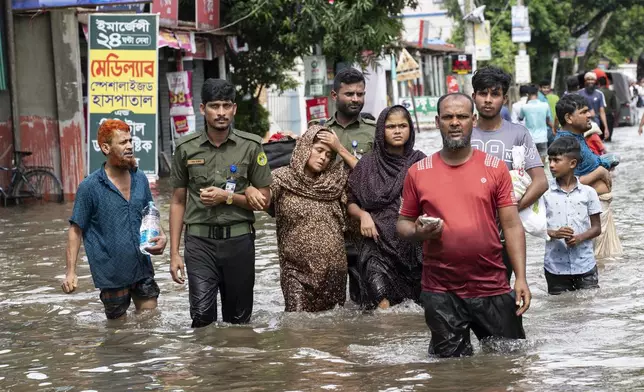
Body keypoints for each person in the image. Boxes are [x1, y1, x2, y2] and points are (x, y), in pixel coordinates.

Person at [397, 93, 530, 358]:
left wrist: (522, 278)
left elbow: (512, 225)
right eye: (448, 117)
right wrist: (418, 231)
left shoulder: (494, 168)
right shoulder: (418, 171)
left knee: (509, 363)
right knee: (449, 371)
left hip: (492, 284)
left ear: (474, 120)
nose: (454, 123)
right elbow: (403, 224)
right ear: (437, 122)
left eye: (461, 117)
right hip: (440, 291)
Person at [168, 79, 273, 328]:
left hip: (239, 242)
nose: (222, 112)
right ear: (203, 109)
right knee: (202, 317)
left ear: (234, 109)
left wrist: (228, 197)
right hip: (199, 243)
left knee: (239, 322)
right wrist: (173, 254)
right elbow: (177, 201)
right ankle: (206, 366)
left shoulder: (250, 146)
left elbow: (265, 201)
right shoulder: (185, 148)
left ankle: (234, 367)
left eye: (227, 106)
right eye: (215, 106)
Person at [62, 119, 167, 320]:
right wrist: (70, 272)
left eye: (130, 141)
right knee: (118, 333)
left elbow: (150, 213)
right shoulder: (90, 187)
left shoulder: (140, 179)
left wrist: (162, 236)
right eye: (123, 142)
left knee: (150, 322)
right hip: (111, 274)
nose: (129, 146)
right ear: (105, 147)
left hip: (142, 266)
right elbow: (76, 230)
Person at [247, 125, 351, 312]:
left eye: (329, 154)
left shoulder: (334, 182)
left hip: (334, 270)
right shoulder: (282, 178)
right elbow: (263, 198)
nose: (323, 158)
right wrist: (249, 189)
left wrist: (340, 148)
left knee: (334, 331)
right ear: (304, 147)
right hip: (295, 270)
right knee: (296, 325)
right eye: (319, 150)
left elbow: (370, 178)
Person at [470, 66, 548, 281]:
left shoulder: (518, 134)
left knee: (500, 290)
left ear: (504, 99)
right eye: (483, 93)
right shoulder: (462, 133)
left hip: (505, 235)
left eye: (494, 94)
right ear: (473, 96)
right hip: (468, 232)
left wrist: (510, 211)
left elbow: (540, 182)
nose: (488, 100)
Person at [347, 105, 426, 310]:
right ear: (381, 130)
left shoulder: (420, 162)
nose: (397, 131)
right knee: (381, 303)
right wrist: (363, 215)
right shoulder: (367, 163)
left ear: (410, 129)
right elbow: (350, 201)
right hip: (376, 245)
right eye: (391, 126)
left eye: (402, 125)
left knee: (413, 307)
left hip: (411, 245)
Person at [324, 67, 377, 303]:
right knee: (329, 299)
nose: (356, 99)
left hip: (364, 222)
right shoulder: (320, 131)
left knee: (366, 297)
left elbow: (376, 176)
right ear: (335, 96)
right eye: (349, 94)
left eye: (360, 94)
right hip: (330, 223)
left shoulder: (375, 132)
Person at [554, 94, 622, 259]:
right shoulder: (565, 144)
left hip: (597, 210)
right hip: (586, 216)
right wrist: (599, 172)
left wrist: (604, 164)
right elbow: (566, 185)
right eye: (584, 112)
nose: (590, 115)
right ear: (569, 118)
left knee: (605, 264)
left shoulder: (578, 138)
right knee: (595, 262)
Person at [543, 137, 602, 294]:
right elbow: (535, 227)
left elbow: (597, 228)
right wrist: (554, 233)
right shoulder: (544, 193)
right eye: (550, 160)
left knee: (589, 308)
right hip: (555, 267)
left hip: (585, 265)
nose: (552, 165)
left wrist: (580, 237)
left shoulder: (588, 193)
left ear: (572, 164)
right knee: (560, 311)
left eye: (556, 160)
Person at [519, 85, 554, 163]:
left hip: (530, 138)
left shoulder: (524, 107)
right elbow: (548, 121)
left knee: (531, 160)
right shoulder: (545, 105)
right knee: (542, 159)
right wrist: (554, 128)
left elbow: (520, 118)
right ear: (537, 93)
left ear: (528, 95)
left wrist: (527, 101)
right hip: (542, 137)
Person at [577, 72, 609, 139]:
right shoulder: (579, 93)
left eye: (592, 79)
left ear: (595, 81)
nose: (590, 81)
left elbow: (602, 112)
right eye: (588, 79)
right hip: (582, 126)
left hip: (596, 126)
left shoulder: (600, 94)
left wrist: (606, 128)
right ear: (585, 81)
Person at [540, 79, 560, 145]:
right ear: (540, 88)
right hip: (547, 128)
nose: (546, 90)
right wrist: (553, 127)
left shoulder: (545, 98)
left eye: (547, 88)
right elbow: (546, 117)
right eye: (544, 88)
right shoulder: (541, 99)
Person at [598, 76, 617, 142]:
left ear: (599, 84)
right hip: (609, 116)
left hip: (598, 117)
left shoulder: (596, 93)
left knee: (599, 138)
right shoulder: (611, 93)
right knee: (608, 138)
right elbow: (615, 107)